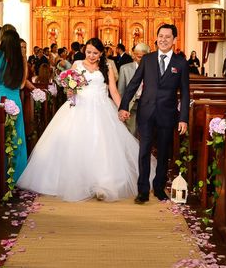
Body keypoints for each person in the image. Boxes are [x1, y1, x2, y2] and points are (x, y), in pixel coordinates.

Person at [19, 38, 147, 202]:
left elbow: (113, 91)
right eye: (88, 52)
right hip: (79, 107)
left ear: (101, 53)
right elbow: (69, 87)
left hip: (102, 108)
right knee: (77, 144)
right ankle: (78, 181)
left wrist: (122, 108)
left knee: (102, 146)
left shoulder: (107, 67)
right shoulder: (77, 65)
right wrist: (70, 92)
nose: (91, 56)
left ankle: (103, 183)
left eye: (95, 53)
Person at [119, 24, 190, 204]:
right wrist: (124, 105)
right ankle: (142, 190)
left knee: (164, 152)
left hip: (168, 114)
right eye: (160, 36)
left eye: (167, 37)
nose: (163, 39)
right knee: (144, 151)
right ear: (156, 38)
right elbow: (134, 84)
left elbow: (185, 91)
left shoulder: (180, 63)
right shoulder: (148, 59)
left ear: (174, 40)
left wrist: (184, 119)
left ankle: (159, 188)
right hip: (146, 112)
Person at [0, 29, 27, 182]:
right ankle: (13, 177)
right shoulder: (21, 59)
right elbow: (22, 85)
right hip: (13, 99)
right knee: (13, 137)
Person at [117, 42, 150, 136]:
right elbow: (121, 91)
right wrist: (122, 108)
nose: (142, 60)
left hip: (147, 104)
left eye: (145, 57)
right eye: (139, 57)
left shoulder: (153, 69)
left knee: (146, 133)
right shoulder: (125, 69)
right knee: (132, 132)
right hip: (132, 105)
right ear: (134, 55)